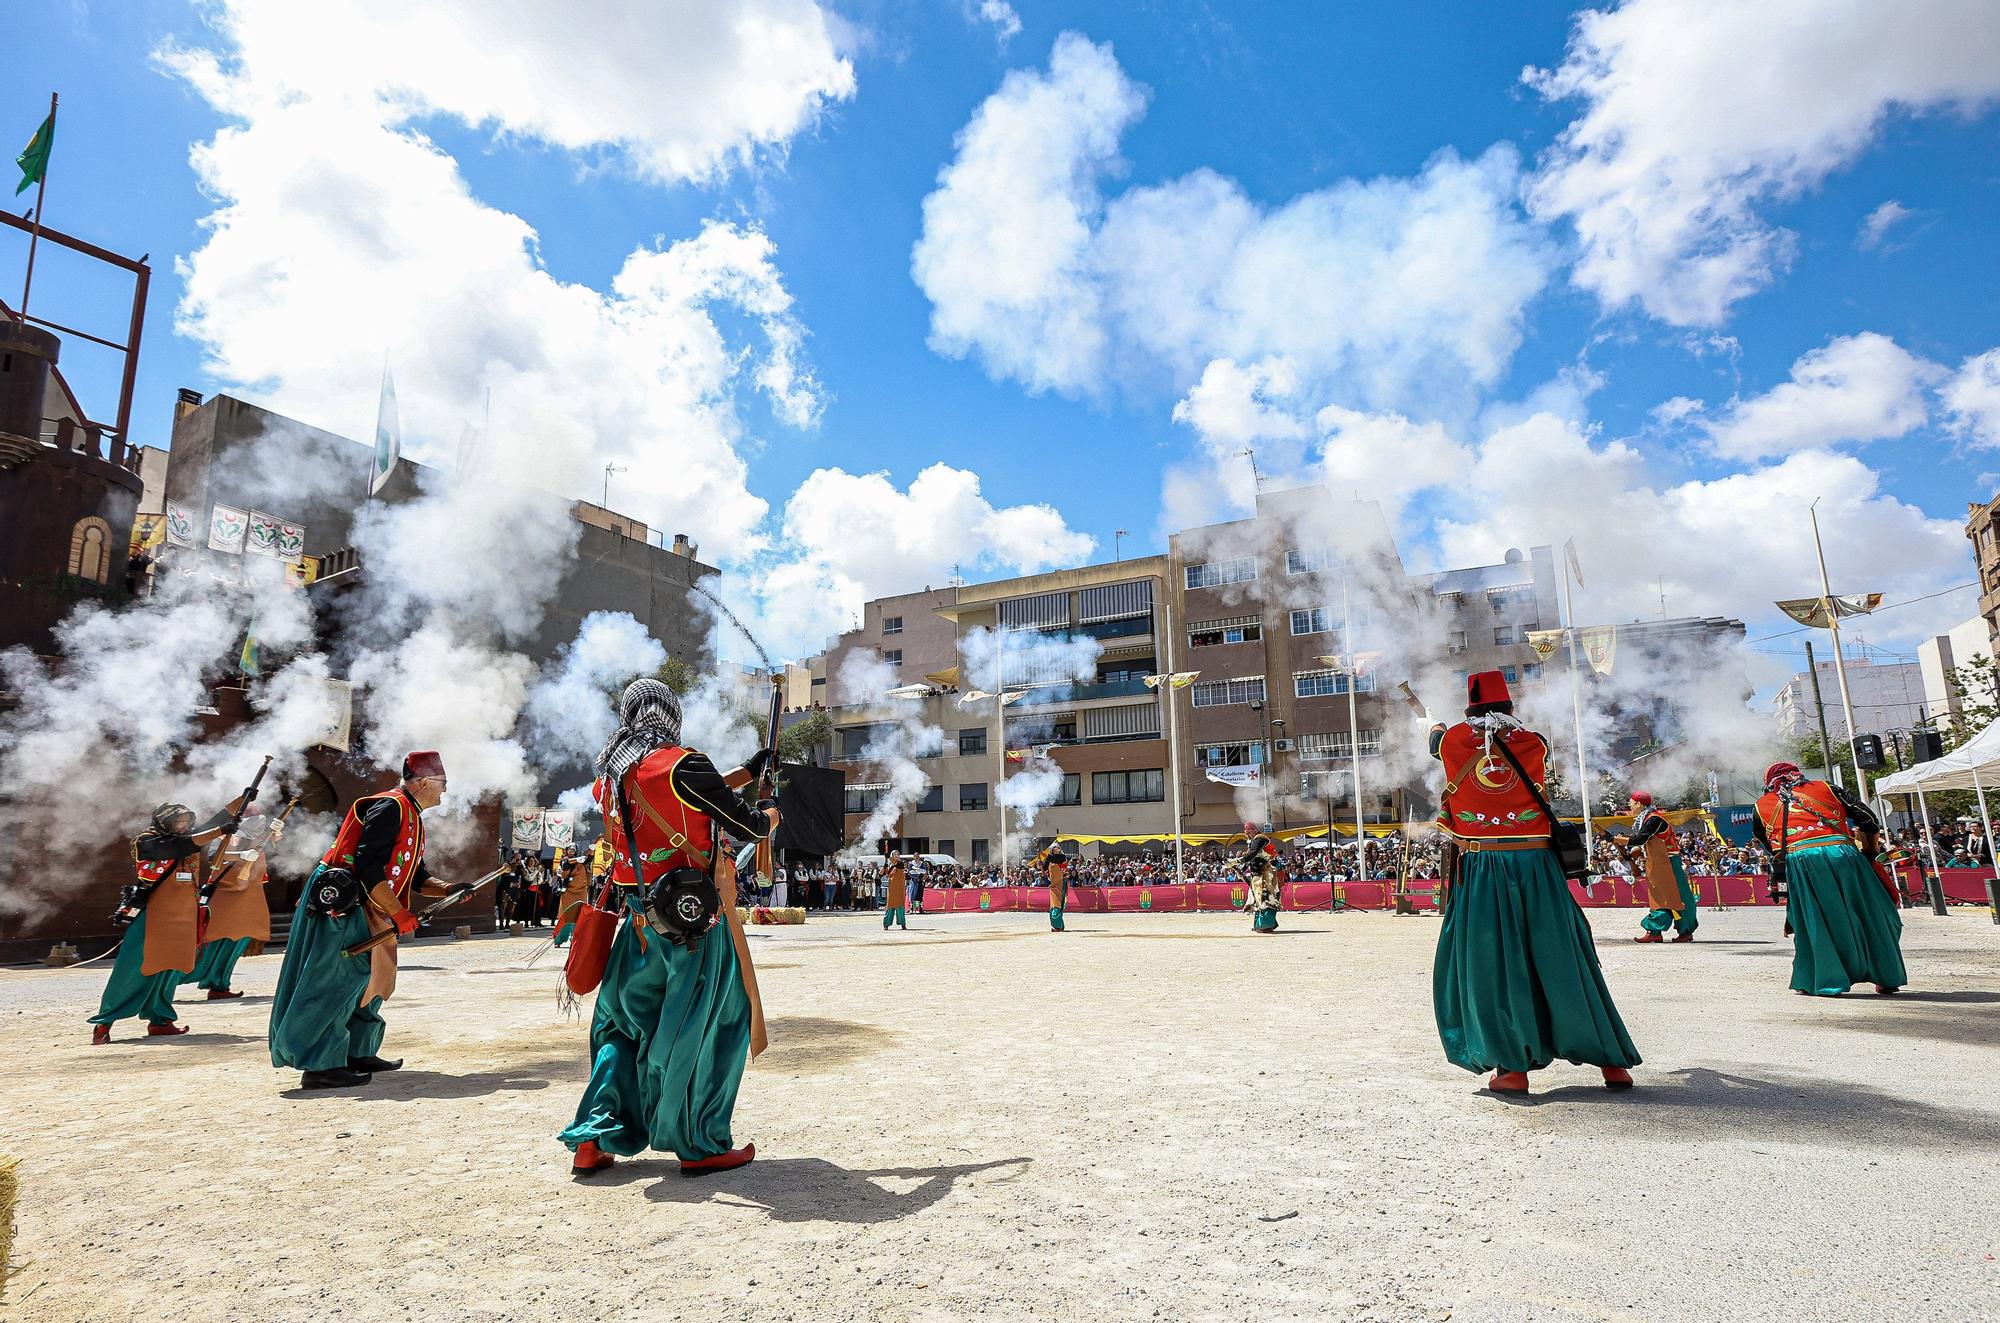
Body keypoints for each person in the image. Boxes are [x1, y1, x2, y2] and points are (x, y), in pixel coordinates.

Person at [561, 679, 777, 1179]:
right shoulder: (686, 764)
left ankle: (595, 1137)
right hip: (690, 930)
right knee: (712, 1025)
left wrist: (746, 771)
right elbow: (748, 827)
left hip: (635, 929)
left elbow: (684, 794)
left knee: (619, 1029)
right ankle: (698, 1142)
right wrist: (769, 812)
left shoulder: (609, 778)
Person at [1428, 671, 1640, 1097]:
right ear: (1509, 707)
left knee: (1494, 965)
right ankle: (1611, 1062)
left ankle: (1513, 1069)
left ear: (1469, 709)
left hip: (1486, 865)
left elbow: (1438, 741)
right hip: (1538, 863)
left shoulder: (1451, 741)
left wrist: (1433, 725)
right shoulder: (1535, 742)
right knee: (1564, 958)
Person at [268, 752, 457, 1090]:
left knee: (372, 976)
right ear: (425, 781)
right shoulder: (391, 807)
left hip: (372, 900)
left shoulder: (410, 813)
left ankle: (356, 1051)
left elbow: (412, 872)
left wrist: (448, 889)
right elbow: (369, 866)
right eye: (443, 783)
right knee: (338, 978)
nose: (445, 791)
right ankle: (320, 1063)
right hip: (347, 901)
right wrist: (399, 913)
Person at [91, 792, 257, 1043]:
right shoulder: (146, 840)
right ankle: (105, 1022)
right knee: (133, 968)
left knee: (170, 969)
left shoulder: (187, 837)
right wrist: (220, 831)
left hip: (183, 916)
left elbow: (214, 823)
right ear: (164, 821)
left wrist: (242, 799)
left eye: (186, 821)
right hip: (153, 916)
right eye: (178, 821)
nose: (183, 825)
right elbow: (184, 845)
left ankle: (161, 1020)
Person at [1753, 762, 1907, 996]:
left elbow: (1770, 847)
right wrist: (1869, 853)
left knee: (1815, 920)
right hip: (1844, 854)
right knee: (1874, 913)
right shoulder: (1827, 787)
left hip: (1802, 861)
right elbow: (1868, 819)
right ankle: (1886, 976)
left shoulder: (1760, 805)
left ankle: (1824, 979)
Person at [182, 806, 284, 999]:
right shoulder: (225, 836)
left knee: (237, 942)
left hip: (251, 896)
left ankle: (219, 985)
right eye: (254, 819)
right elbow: (214, 858)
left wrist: (277, 831)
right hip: (226, 897)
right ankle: (170, 980)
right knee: (214, 941)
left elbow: (275, 844)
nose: (259, 824)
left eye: (261, 821)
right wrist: (240, 856)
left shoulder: (260, 838)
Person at [1605, 791, 1699, 943]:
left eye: (1631, 803)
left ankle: (1674, 930)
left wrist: (1614, 839)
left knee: (1672, 897)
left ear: (1639, 804)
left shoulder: (1654, 819)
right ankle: (1667, 931)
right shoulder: (1646, 819)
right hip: (1658, 862)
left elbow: (1640, 838)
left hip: (1667, 862)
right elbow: (1644, 843)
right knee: (1664, 897)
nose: (1629, 806)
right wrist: (1629, 855)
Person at [1240, 822, 1282, 933]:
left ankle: (1266, 925)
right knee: (1258, 900)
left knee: (1267, 899)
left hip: (1267, 874)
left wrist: (1238, 860)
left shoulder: (1260, 839)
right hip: (1259, 874)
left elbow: (1252, 854)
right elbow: (1251, 857)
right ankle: (1261, 924)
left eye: (1248, 833)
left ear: (1254, 830)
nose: (1247, 835)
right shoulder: (1254, 841)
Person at [1031, 843, 1069, 931]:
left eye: (1058, 848)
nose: (1057, 849)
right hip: (1053, 884)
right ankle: (1059, 925)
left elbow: (1052, 859)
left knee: (1058, 904)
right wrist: (1040, 866)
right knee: (1054, 905)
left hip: (1061, 883)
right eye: (1055, 848)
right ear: (1052, 850)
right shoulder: (1049, 859)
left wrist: (1040, 852)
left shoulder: (1062, 857)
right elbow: (1044, 872)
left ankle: (1057, 926)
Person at [882, 853, 908, 930]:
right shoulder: (891, 866)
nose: (897, 856)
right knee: (890, 907)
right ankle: (886, 924)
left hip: (899, 889)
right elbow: (886, 874)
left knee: (900, 907)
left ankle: (903, 924)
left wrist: (889, 858)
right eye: (895, 854)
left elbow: (896, 864)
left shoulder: (901, 863)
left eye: (897, 854)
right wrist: (885, 866)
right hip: (892, 889)